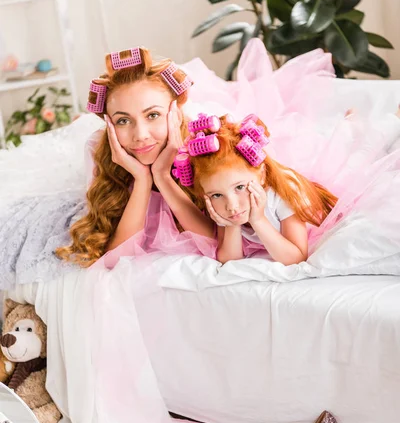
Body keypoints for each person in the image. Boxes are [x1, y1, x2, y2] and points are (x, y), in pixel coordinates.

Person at [56, 46, 215, 267]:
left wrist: (163, 176)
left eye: (153, 115)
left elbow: (215, 245)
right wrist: (142, 180)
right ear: (109, 124)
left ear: (175, 114)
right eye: (123, 120)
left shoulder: (203, 143)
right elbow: (115, 261)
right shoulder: (100, 150)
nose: (140, 135)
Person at [177, 114, 337, 265]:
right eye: (217, 195)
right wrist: (232, 225)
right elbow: (229, 260)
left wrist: (258, 220)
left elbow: (296, 258)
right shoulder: (223, 201)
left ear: (261, 175)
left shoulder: (283, 195)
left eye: (240, 187)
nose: (232, 205)